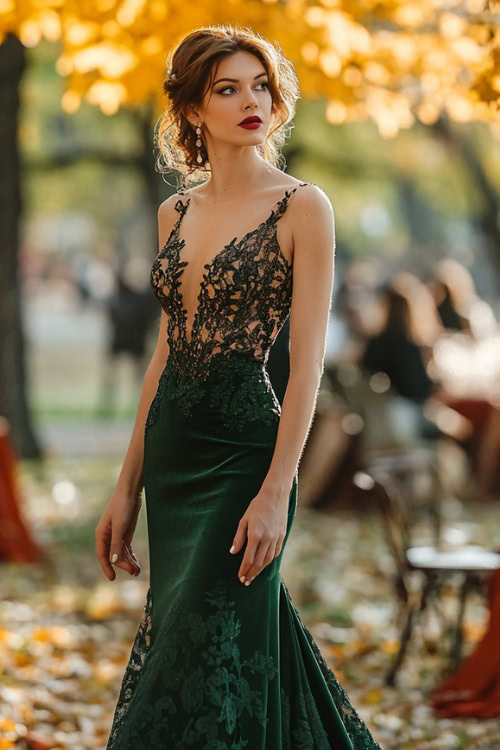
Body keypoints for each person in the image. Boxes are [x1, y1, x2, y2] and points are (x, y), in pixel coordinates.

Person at [96, 24, 382, 749]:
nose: (251, 101)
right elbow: (164, 353)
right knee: (217, 638)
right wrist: (125, 486)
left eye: (259, 85)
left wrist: (275, 492)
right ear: (193, 110)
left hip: (245, 448)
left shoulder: (303, 207)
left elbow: (308, 362)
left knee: (208, 641)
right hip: (174, 450)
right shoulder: (175, 212)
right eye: (227, 89)